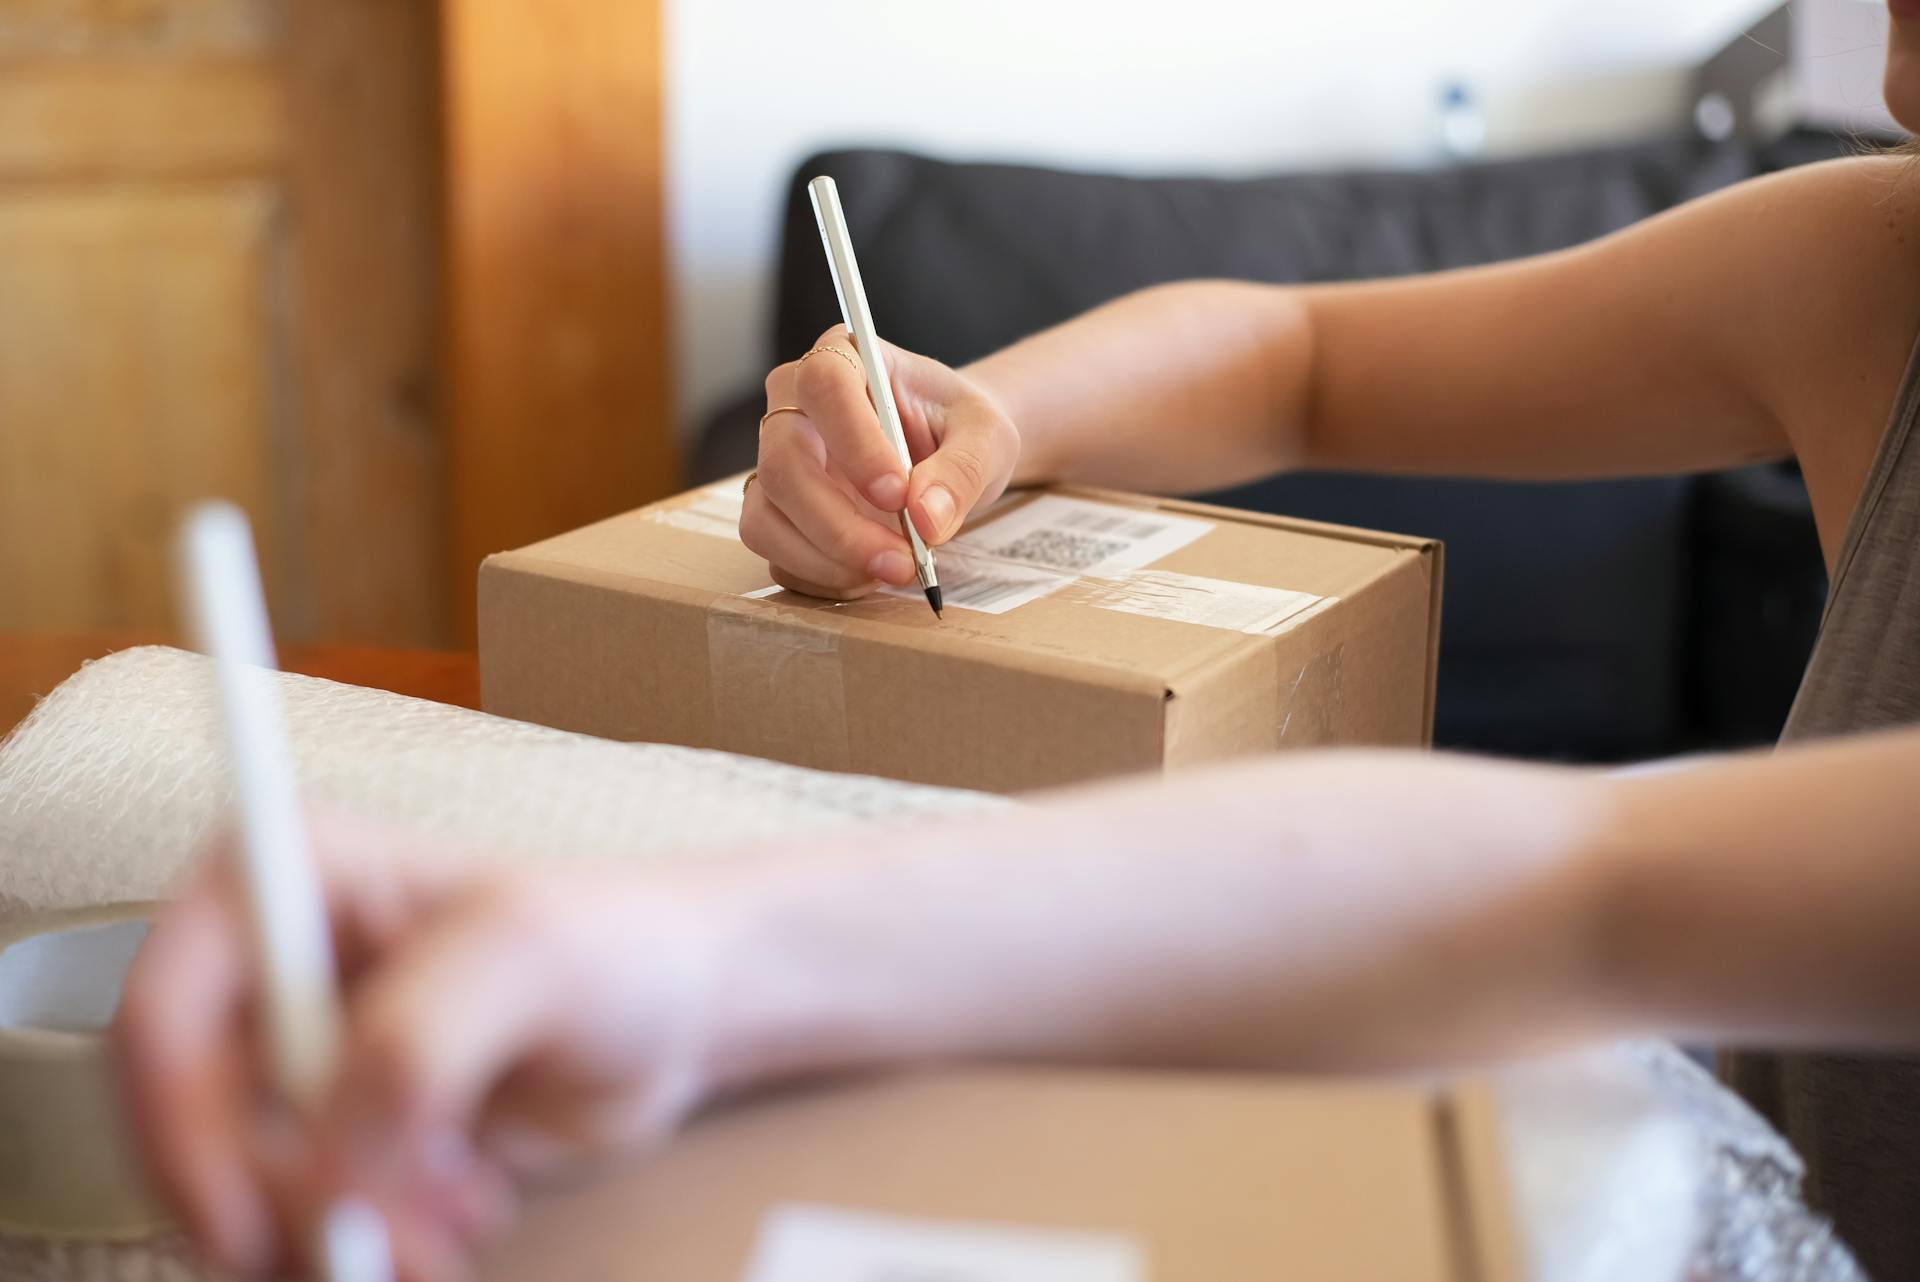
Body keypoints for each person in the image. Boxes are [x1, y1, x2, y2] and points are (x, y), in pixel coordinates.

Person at [120, 7, 1920, 1280]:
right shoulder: (1869, 273)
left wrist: (707, 947)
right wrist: (981, 418)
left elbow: (1581, 892)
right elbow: (1288, 349)